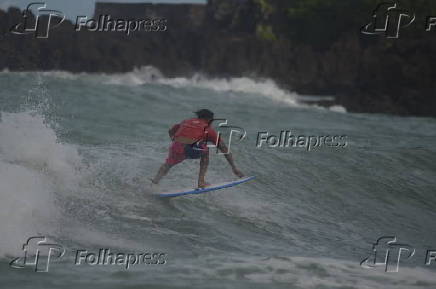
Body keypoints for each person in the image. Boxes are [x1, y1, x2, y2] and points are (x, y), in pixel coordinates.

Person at [152, 109, 244, 188]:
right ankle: (201, 181)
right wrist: (234, 168)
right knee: (205, 151)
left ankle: (155, 182)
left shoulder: (186, 121)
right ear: (208, 119)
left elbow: (171, 131)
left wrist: (174, 140)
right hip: (190, 149)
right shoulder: (207, 129)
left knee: (168, 164)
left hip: (176, 146)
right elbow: (224, 148)